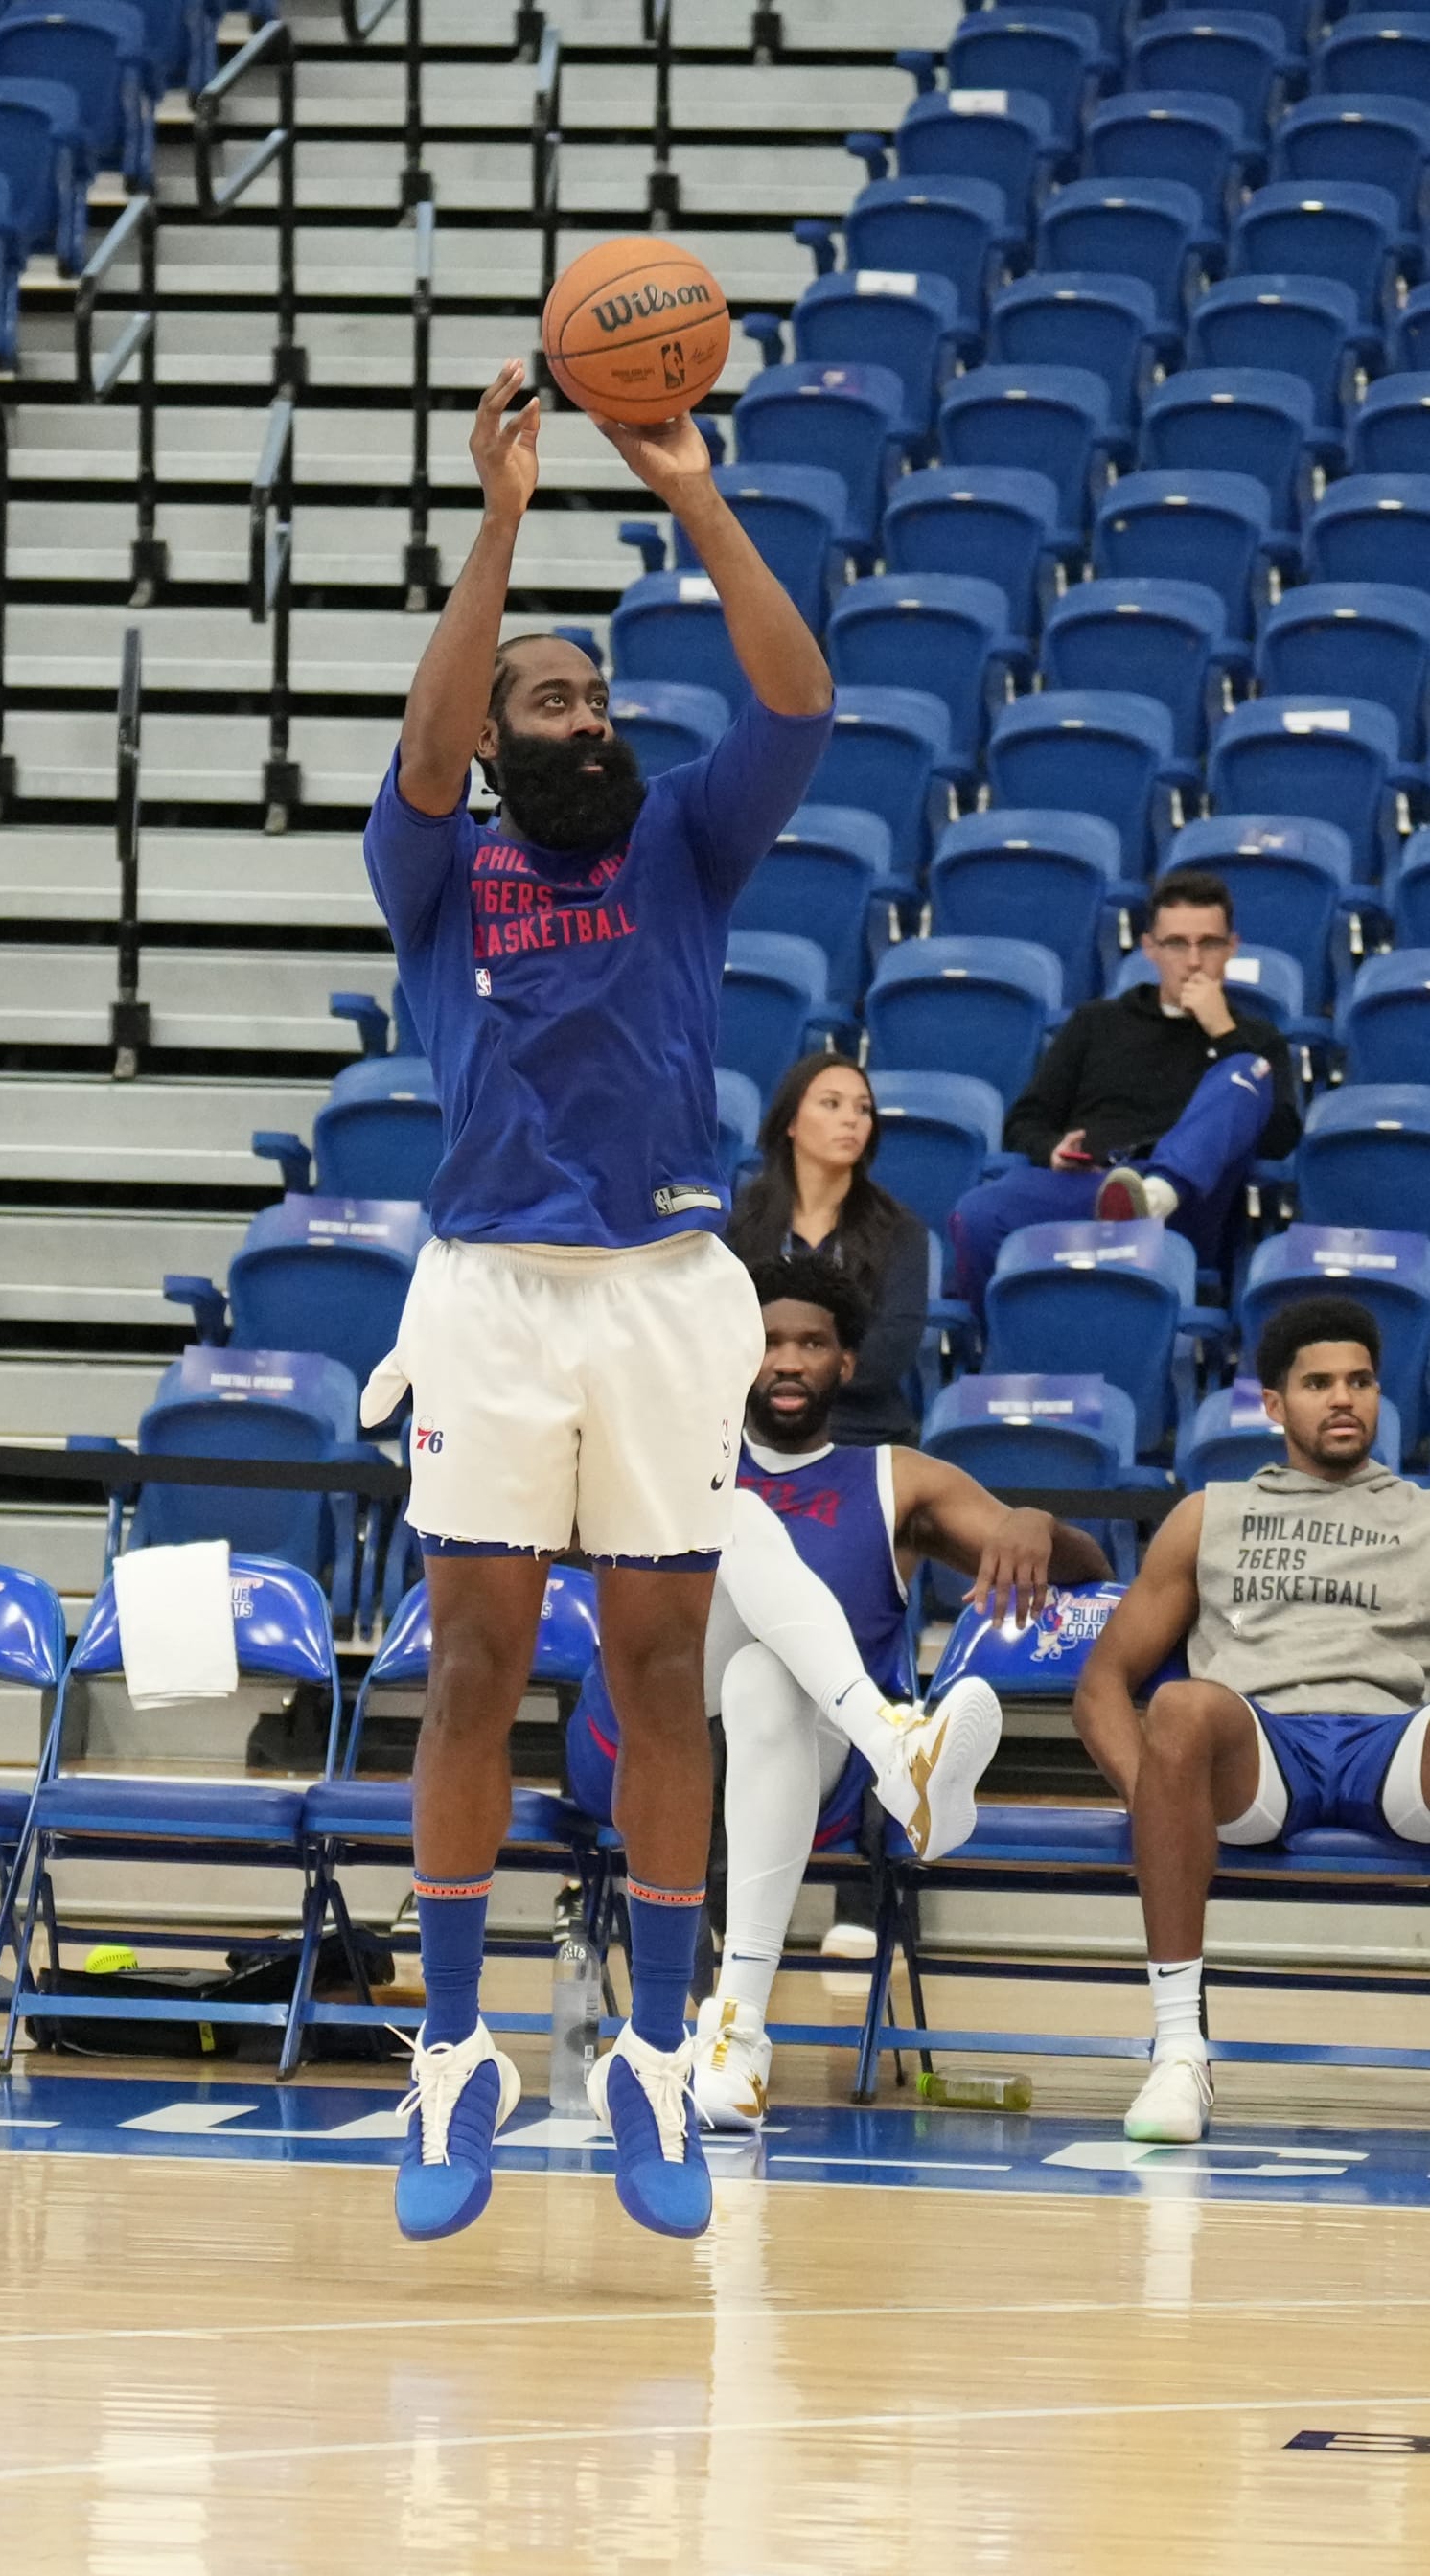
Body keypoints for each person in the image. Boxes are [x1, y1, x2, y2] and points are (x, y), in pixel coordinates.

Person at [361, 361, 835, 2242]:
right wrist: (502, 519)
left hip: (662, 1295)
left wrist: (691, 490)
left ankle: (651, 2058)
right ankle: (455, 2061)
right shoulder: (433, 863)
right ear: (491, 734)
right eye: (547, 697)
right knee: (474, 1660)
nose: (587, 713)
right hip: (489, 1293)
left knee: (660, 1680)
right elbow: (417, 745)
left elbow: (796, 693)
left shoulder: (680, 841)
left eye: (597, 692)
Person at [564, 1254, 1113, 2126]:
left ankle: (736, 2041)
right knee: (737, 1515)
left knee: (764, 1678)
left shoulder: (897, 1479)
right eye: (770, 1340)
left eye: (811, 1342)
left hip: (797, 1759)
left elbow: (1090, 1573)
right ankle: (898, 1741)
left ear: (845, 1363)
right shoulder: (671, 1454)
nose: (787, 1360)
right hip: (636, 1734)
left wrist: (1033, 1522)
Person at [1073, 1296, 1430, 2147]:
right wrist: (1160, 1798)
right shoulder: (1211, 1514)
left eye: (1361, 1380)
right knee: (1180, 1703)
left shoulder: (1423, 1517)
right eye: (1317, 1383)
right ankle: (1179, 2051)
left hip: (1391, 1742)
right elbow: (1102, 1687)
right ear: (1274, 1405)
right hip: (1260, 1752)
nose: (1343, 1398)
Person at [949, 871, 1300, 1317]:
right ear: (1150, 949)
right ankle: (999, 1347)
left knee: (1248, 1071)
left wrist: (1222, 1032)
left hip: (1190, 1202)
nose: (1193, 961)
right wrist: (1052, 1149)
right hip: (1092, 1184)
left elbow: (1279, 1138)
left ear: (1231, 948)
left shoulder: (1253, 1038)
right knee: (976, 1214)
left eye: (1208, 944)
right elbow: (1025, 1122)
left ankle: (1154, 1196)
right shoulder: (1096, 1023)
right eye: (1176, 944)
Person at [727, 1053, 930, 1444]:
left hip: (863, 1432)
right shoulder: (741, 1224)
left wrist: (785, 1372)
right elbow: (722, 1335)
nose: (851, 1119)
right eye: (831, 1104)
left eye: (863, 1109)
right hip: (754, 1430)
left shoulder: (901, 1230)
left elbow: (889, 1353)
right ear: (791, 1122)